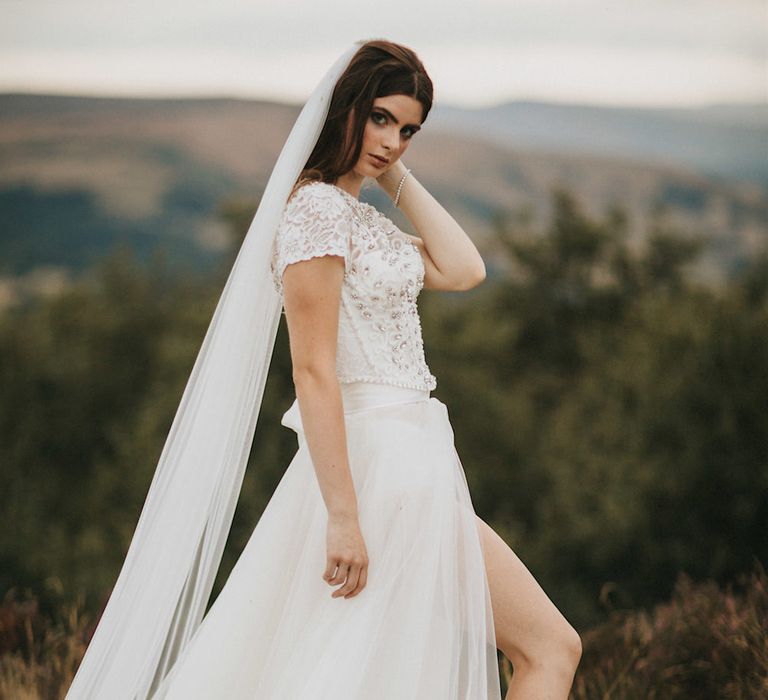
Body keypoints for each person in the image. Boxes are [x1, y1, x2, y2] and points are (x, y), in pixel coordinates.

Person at [67, 39, 581, 700]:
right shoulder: (313, 213)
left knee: (378, 672)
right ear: (346, 109)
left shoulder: (358, 217)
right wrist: (343, 516)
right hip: (378, 471)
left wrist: (387, 170)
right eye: (381, 119)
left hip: (413, 463)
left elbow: (464, 268)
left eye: (409, 130)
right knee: (550, 646)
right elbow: (312, 371)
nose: (395, 140)